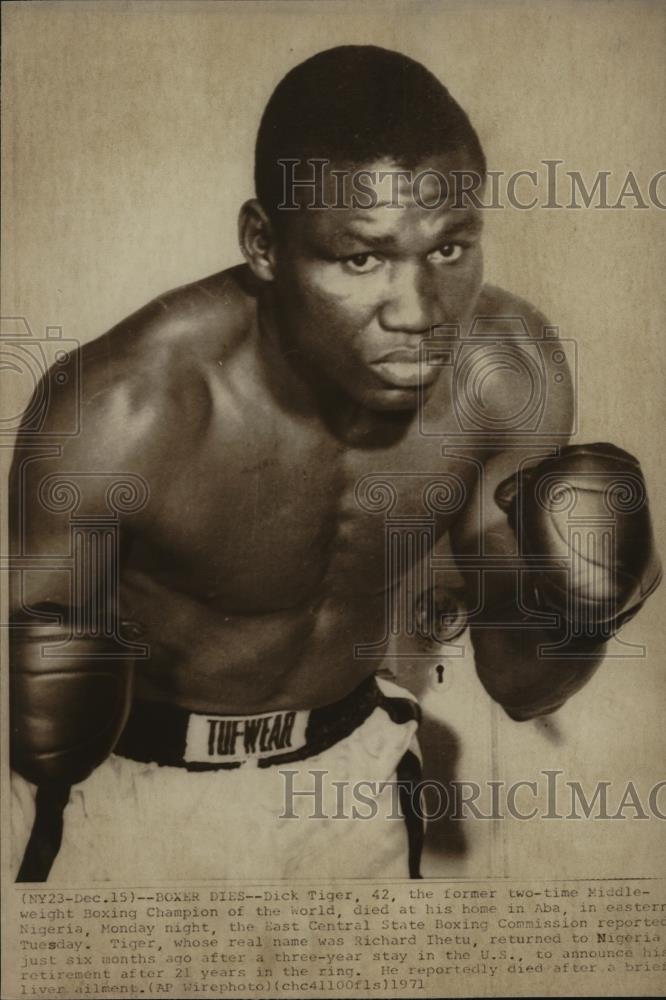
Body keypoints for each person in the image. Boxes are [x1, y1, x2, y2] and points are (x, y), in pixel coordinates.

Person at [9, 46, 661, 882]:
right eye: (362, 259)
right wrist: (49, 709)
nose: (420, 312)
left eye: (451, 250)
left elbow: (521, 683)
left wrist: (586, 609)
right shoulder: (123, 411)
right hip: (137, 798)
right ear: (264, 243)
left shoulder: (505, 376)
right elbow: (41, 733)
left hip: (354, 781)